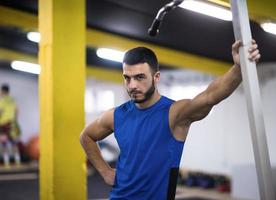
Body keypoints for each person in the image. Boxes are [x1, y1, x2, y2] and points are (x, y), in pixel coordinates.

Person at [80, 40, 260, 199]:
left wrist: (238, 68)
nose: (133, 85)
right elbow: (86, 136)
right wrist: (105, 171)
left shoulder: (174, 114)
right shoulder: (116, 115)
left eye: (140, 77)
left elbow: (210, 96)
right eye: (127, 78)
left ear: (156, 77)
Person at [0, 84, 21, 167]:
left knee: (4, 144)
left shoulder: (2, 101)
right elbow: (17, 111)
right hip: (11, 124)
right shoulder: (13, 100)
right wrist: (15, 121)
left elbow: (0, 112)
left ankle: (7, 164)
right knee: (14, 143)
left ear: (3, 91)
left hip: (3, 124)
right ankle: (18, 162)